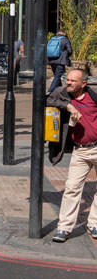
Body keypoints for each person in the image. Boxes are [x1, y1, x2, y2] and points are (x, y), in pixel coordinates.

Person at [52, 66, 97, 242]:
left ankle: (94, 224)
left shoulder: (93, 96)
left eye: (72, 80)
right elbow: (48, 100)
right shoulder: (62, 93)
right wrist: (69, 106)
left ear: (83, 83)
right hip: (80, 150)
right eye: (67, 79)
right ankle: (64, 227)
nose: (68, 83)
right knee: (71, 188)